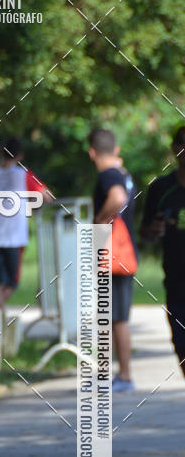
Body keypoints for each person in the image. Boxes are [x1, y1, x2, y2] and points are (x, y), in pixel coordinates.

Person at [0, 137, 52, 310]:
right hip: (15, 237)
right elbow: (47, 196)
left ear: (0, 153)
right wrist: (30, 205)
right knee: (11, 283)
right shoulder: (24, 175)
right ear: (20, 156)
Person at [87, 128, 138, 392]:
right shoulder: (125, 174)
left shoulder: (108, 175)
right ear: (116, 149)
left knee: (114, 318)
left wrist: (99, 221)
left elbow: (117, 198)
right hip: (124, 253)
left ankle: (124, 376)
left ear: (92, 152)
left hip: (112, 255)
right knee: (112, 316)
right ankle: (113, 374)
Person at [140, 126, 185, 376]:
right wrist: (153, 231)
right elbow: (145, 233)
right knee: (182, 346)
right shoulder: (160, 188)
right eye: (182, 144)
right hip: (177, 282)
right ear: (175, 149)